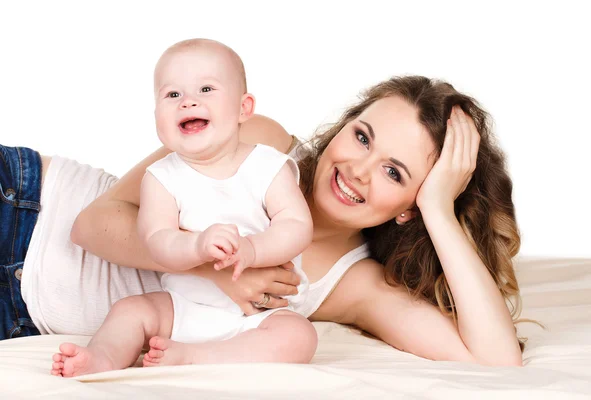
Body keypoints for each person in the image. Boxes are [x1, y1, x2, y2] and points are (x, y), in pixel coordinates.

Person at [0, 66, 524, 367]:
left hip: (20, 317)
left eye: (394, 172)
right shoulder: (262, 146)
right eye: (361, 136)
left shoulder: (353, 284)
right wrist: (212, 267)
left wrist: (440, 209)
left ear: (413, 205)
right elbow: (90, 225)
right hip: (24, 207)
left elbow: (497, 360)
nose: (358, 170)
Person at [47, 39, 315, 377]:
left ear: (244, 108)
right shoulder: (161, 177)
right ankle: (101, 359)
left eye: (206, 89)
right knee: (130, 310)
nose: (188, 101)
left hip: (257, 316)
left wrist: (251, 249)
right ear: (156, 115)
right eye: (172, 95)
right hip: (184, 307)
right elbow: (157, 240)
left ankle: (197, 356)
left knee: (300, 336)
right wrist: (196, 245)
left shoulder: (268, 165)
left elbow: (296, 225)